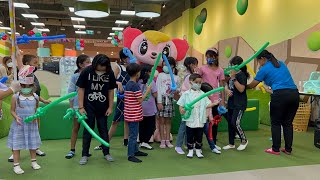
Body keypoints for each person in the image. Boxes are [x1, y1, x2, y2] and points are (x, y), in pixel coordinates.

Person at [247, 50, 299, 155]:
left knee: (276, 123)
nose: (258, 64)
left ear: (262, 59)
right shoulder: (281, 63)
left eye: (258, 61)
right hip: (294, 94)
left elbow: (252, 85)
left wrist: (244, 87)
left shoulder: (264, 69)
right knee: (288, 123)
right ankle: (288, 149)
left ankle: (275, 149)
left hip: (280, 95)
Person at [8, 54, 50, 162]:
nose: (37, 65)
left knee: (34, 131)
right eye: (34, 63)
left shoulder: (33, 76)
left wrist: (43, 100)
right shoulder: (22, 75)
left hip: (32, 107)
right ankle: (15, 152)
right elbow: (20, 64)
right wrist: (17, 53)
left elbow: (34, 93)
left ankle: (35, 148)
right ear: (27, 64)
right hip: (22, 109)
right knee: (18, 133)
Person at [76, 54, 117, 165]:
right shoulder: (87, 71)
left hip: (103, 108)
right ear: (95, 64)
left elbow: (111, 90)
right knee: (87, 131)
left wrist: (110, 107)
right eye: (100, 66)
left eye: (104, 66)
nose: (102, 68)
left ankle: (106, 153)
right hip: (88, 106)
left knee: (103, 130)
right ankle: (85, 154)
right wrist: (81, 107)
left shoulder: (109, 73)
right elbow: (81, 89)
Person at [7, 67, 41, 174]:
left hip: (31, 125)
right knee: (17, 145)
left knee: (33, 144)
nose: (26, 88)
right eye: (23, 86)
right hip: (19, 124)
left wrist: (36, 117)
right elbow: (12, 110)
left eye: (29, 86)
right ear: (20, 86)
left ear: (32, 86)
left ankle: (33, 161)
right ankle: (16, 165)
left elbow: (36, 110)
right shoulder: (15, 97)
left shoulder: (35, 97)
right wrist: (16, 117)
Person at [177, 74, 219, 158]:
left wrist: (214, 104)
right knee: (190, 136)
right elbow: (181, 104)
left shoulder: (202, 94)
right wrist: (181, 110)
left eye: (200, 82)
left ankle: (198, 150)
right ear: (191, 82)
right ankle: (190, 150)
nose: (198, 84)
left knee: (199, 136)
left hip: (200, 120)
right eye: (196, 82)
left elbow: (206, 104)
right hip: (190, 120)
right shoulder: (186, 94)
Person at [65, 55, 91, 159]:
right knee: (76, 128)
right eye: (87, 62)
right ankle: (72, 150)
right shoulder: (75, 76)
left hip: (89, 106)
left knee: (88, 129)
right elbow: (70, 92)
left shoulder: (91, 75)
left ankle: (86, 151)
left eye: (90, 61)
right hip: (77, 106)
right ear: (80, 65)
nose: (90, 63)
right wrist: (71, 108)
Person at [198, 48, 225, 150]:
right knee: (201, 121)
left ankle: (213, 142)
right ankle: (198, 143)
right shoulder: (202, 69)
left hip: (215, 100)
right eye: (207, 57)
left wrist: (222, 101)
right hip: (203, 99)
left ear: (216, 57)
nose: (209, 59)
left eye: (211, 56)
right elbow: (196, 81)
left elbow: (222, 86)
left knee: (214, 122)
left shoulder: (220, 70)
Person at [124, 63, 152, 163]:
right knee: (133, 135)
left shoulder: (128, 84)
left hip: (130, 113)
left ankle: (135, 151)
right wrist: (148, 90)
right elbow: (140, 99)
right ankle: (131, 155)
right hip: (133, 115)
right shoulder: (134, 85)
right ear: (137, 73)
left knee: (134, 134)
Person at [223, 56, 249, 151]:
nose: (231, 67)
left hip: (239, 103)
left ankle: (244, 140)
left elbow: (241, 89)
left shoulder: (241, 75)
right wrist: (226, 90)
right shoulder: (231, 76)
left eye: (232, 65)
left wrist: (233, 78)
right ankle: (231, 143)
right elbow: (226, 85)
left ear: (237, 66)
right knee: (230, 123)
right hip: (231, 103)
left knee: (235, 123)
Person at [175, 57, 198, 154]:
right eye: (195, 64)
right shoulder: (189, 77)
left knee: (188, 125)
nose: (196, 66)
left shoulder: (188, 75)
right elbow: (190, 90)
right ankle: (178, 145)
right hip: (186, 103)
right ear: (191, 65)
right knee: (184, 125)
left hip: (189, 102)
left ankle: (186, 143)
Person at [156, 57, 180, 148]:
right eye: (164, 65)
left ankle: (167, 140)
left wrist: (176, 90)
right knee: (161, 121)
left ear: (172, 66)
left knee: (168, 121)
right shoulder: (160, 75)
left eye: (167, 65)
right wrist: (159, 102)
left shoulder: (176, 77)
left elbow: (177, 90)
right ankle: (162, 140)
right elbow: (158, 88)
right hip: (162, 99)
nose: (165, 66)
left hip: (170, 100)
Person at [138, 64, 157, 150]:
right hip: (150, 108)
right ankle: (145, 142)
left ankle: (141, 141)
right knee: (150, 126)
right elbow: (155, 94)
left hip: (140, 107)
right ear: (148, 72)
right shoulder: (151, 81)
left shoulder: (138, 81)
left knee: (141, 125)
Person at [201, 82, 222, 154]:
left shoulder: (208, 100)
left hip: (206, 120)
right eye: (209, 92)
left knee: (209, 135)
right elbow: (206, 107)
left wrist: (211, 119)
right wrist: (213, 104)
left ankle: (213, 147)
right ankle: (198, 147)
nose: (211, 94)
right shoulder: (201, 100)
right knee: (198, 135)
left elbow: (209, 111)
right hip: (199, 121)